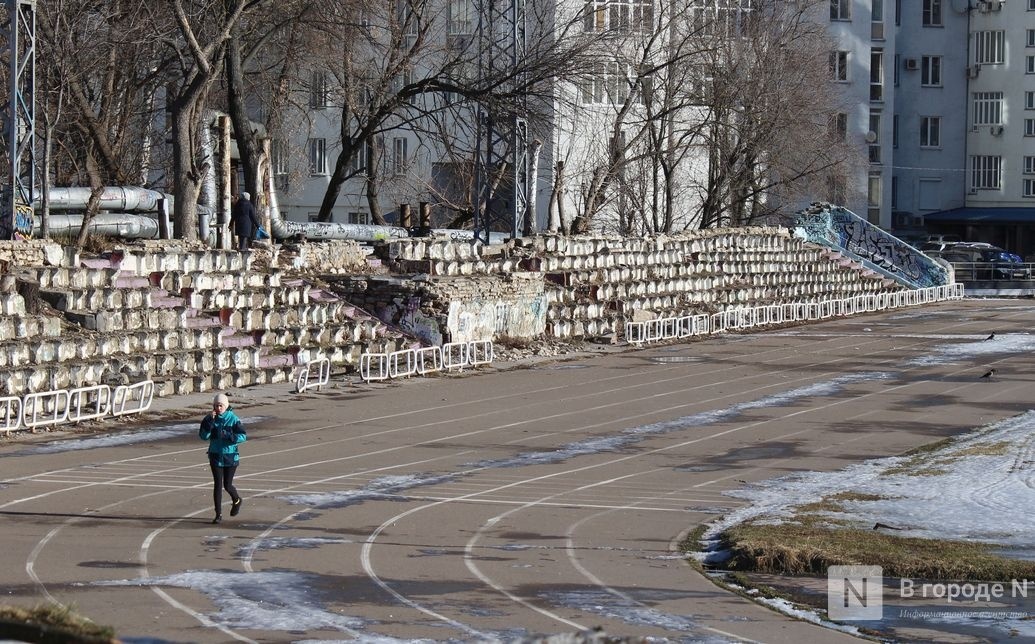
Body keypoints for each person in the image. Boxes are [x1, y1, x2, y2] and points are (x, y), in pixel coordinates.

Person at [199, 393, 246, 524]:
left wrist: (229, 436)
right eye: (216, 405)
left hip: (230, 457)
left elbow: (243, 436)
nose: (218, 408)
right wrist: (208, 423)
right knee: (217, 485)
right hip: (215, 455)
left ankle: (237, 500)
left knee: (227, 485)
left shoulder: (233, 419)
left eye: (221, 405)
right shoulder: (210, 419)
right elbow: (203, 436)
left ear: (225, 406)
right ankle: (218, 514)